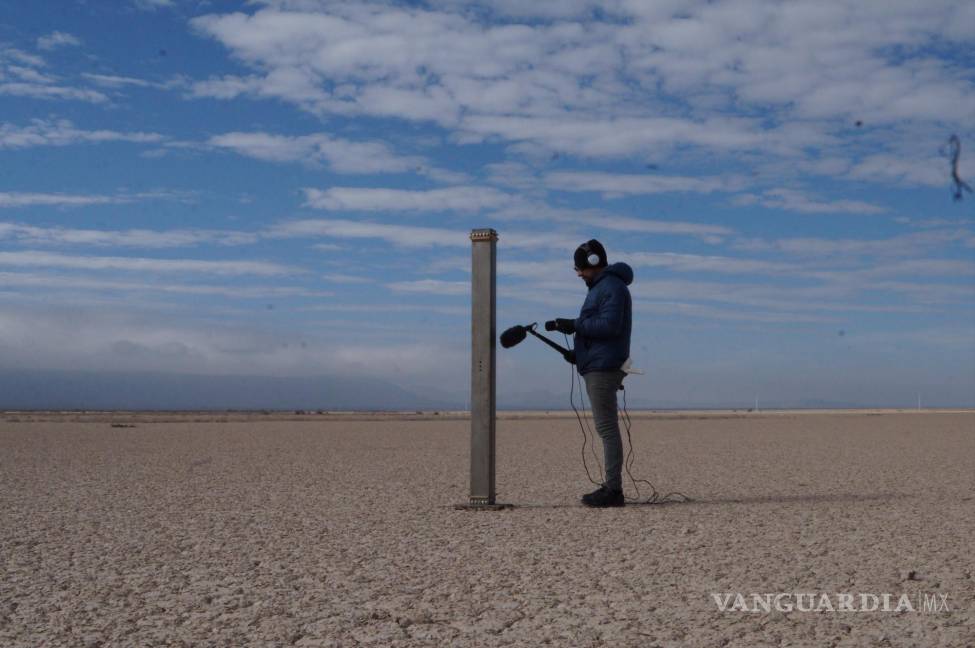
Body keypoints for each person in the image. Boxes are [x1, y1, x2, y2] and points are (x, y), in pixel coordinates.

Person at [548, 239, 633, 508]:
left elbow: (609, 326)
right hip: (597, 363)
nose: (578, 274)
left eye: (580, 268)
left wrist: (574, 325)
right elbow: (599, 329)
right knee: (605, 427)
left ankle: (613, 490)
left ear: (594, 263)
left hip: (604, 367)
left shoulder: (611, 287)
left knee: (607, 428)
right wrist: (578, 354)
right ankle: (611, 487)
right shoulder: (602, 287)